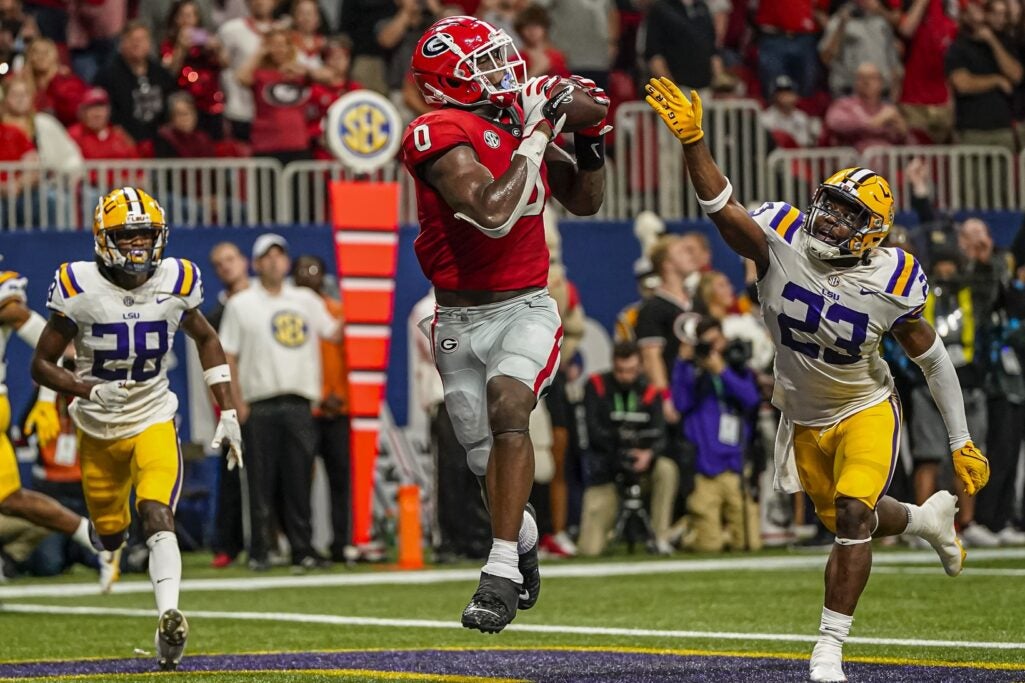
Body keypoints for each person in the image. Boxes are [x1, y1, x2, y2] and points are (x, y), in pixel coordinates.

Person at [644, 79, 991, 682]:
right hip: (802, 414)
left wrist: (959, 439)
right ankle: (922, 519)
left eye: (848, 214)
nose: (829, 218)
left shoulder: (894, 278)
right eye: (829, 203)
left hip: (863, 406)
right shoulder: (780, 236)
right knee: (847, 519)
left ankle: (829, 645)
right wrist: (695, 144)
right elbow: (723, 210)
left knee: (855, 515)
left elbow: (933, 360)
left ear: (873, 231)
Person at [402, 15, 609, 633]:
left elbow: (587, 199)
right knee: (478, 457)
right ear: (447, 84)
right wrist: (540, 130)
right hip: (460, 315)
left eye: (500, 58)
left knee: (508, 406)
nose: (504, 73)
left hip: (526, 305)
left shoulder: (513, 119)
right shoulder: (435, 129)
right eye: (483, 65)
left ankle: (497, 572)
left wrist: (591, 135)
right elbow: (492, 213)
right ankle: (518, 534)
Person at [31, 187, 244, 671]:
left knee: (157, 515)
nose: (138, 247)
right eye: (127, 237)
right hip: (97, 429)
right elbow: (42, 364)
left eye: (145, 235)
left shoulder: (177, 278)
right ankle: (107, 549)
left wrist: (227, 411)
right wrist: (84, 390)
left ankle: (169, 618)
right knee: (110, 536)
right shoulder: (77, 286)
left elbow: (207, 340)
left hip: (153, 415)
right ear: (103, 239)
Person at [218, 234, 339, 573]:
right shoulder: (242, 303)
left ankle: (302, 548)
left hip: (300, 401)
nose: (274, 262)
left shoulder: (305, 299)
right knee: (259, 481)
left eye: (279, 256)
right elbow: (229, 354)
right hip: (260, 403)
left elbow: (336, 331)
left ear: (287, 262)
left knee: (300, 480)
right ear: (256, 264)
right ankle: (260, 550)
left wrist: (365, 297)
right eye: (266, 257)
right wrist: (236, 402)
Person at [0, 267, 112, 591]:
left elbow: (50, 348)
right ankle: (91, 537)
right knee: (11, 500)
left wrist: (48, 400)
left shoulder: (6, 300)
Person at [671, 317, 761, 552]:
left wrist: (722, 371)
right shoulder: (693, 374)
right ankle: (688, 534)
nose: (712, 348)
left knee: (750, 543)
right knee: (709, 547)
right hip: (705, 470)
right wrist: (684, 362)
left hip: (735, 467)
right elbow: (680, 404)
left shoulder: (737, 366)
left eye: (716, 341)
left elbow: (751, 400)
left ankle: (702, 528)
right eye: (706, 344)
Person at [579, 341, 676, 556]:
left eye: (631, 370)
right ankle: (609, 531)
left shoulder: (650, 391)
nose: (625, 376)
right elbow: (593, 432)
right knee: (589, 550)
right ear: (613, 365)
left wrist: (648, 454)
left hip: (643, 469)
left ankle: (661, 537)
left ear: (640, 367)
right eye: (620, 370)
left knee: (667, 469)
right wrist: (619, 452)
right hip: (608, 470)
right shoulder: (596, 386)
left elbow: (661, 433)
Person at [292, 254, 353, 563]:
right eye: (303, 269)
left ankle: (342, 542)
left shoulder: (339, 312)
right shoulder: (289, 313)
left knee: (341, 480)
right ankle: (302, 545)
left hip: (338, 407)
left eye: (314, 268)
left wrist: (339, 395)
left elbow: (349, 361)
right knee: (298, 480)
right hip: (305, 407)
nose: (309, 273)